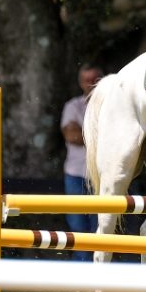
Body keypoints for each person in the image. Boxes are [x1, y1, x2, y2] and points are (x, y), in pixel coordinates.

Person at [60, 63, 103, 261]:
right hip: (76, 174)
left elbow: (77, 134)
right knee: (78, 226)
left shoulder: (109, 104)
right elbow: (71, 136)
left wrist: (82, 132)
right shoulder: (72, 105)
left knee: (99, 227)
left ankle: (96, 275)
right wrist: (102, 136)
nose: (91, 85)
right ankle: (82, 273)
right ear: (80, 83)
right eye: (87, 81)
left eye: (95, 80)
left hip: (101, 175)